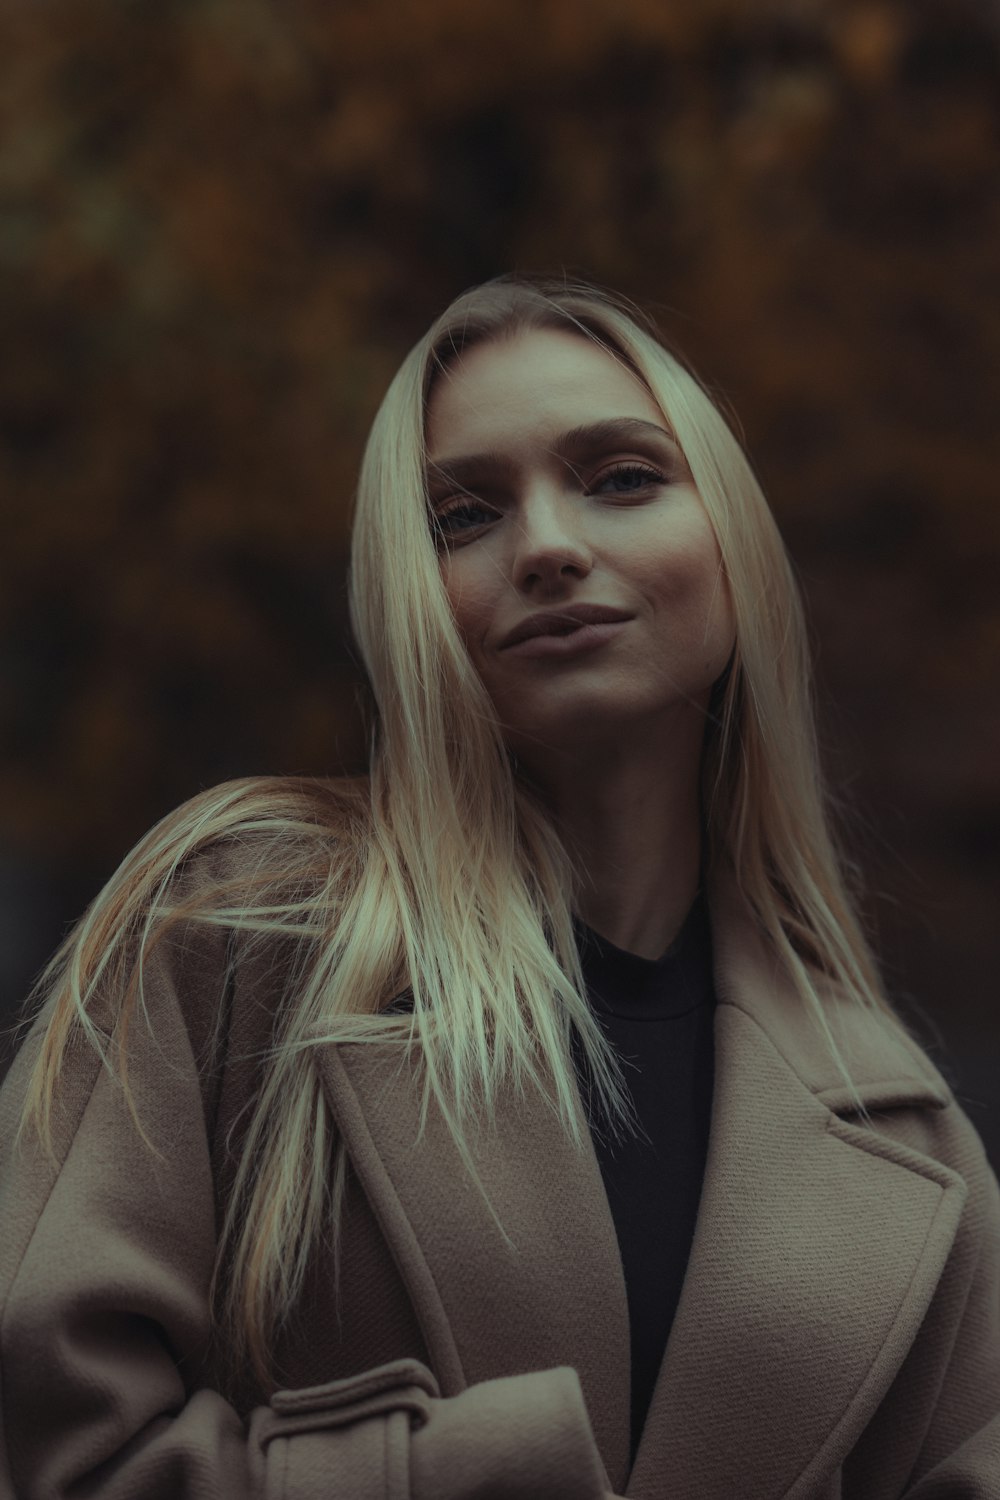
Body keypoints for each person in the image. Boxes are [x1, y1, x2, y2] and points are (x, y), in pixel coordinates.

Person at [0, 273, 997, 1500]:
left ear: (733, 541)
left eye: (622, 478)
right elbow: (54, 1444)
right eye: (464, 516)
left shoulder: (901, 1127)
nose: (550, 546)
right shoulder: (244, 929)